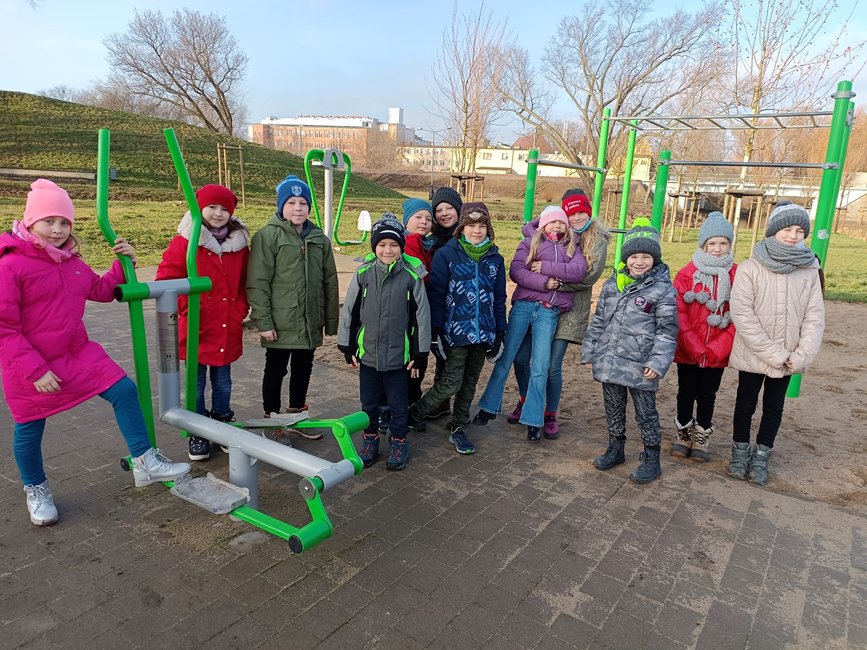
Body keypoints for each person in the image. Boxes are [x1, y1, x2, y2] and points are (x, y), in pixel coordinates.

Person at [0, 179, 191, 526]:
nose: (57, 230)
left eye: (64, 222)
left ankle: (145, 460)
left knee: (124, 390)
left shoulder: (71, 262)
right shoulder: (11, 265)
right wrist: (35, 370)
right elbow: (4, 328)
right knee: (29, 427)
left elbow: (101, 290)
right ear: (30, 221)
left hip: (75, 352)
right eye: (49, 221)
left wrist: (123, 263)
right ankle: (36, 488)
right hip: (29, 363)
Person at [727, 202, 825, 486]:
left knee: (774, 406)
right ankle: (740, 453)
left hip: (789, 357)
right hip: (756, 353)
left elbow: (814, 316)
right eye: (787, 229)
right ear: (773, 231)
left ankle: (761, 455)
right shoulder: (750, 268)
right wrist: (774, 353)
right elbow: (742, 314)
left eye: (799, 230)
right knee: (745, 403)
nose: (793, 235)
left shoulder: (810, 270)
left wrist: (801, 355)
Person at [474, 205, 588, 441]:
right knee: (507, 357)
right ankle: (488, 407)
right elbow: (517, 271)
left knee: (541, 365)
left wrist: (545, 267)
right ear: (543, 224)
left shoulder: (571, 246)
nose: (557, 225)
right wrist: (545, 283)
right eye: (552, 221)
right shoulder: (530, 242)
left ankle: (534, 419)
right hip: (524, 307)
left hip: (548, 311)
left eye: (561, 222)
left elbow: (578, 271)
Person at [581, 217, 678, 484]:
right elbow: (599, 320)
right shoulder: (613, 285)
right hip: (610, 360)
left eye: (645, 256)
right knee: (613, 407)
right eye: (634, 256)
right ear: (626, 258)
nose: (639, 262)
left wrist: (657, 362)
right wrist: (590, 349)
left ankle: (651, 458)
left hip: (641, 365)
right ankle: (616, 448)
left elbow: (667, 330)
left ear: (655, 259)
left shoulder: (663, 290)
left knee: (646, 413)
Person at [156, 184, 250, 460]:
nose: (218, 214)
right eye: (211, 207)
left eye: (224, 209)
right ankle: (197, 429)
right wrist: (188, 309)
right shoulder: (185, 242)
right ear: (199, 208)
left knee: (223, 380)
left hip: (226, 326)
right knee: (195, 383)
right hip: (196, 326)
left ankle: (221, 419)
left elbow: (244, 283)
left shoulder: (239, 246)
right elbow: (166, 281)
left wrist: (239, 310)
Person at [510, 188, 610, 438]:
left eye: (581, 212)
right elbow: (523, 267)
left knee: (552, 366)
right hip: (539, 303)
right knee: (521, 358)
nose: (576, 218)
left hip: (570, 309)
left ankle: (549, 414)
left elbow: (587, 277)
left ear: (589, 213)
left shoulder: (596, 239)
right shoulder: (551, 233)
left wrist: (551, 278)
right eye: (571, 214)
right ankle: (527, 400)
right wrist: (545, 281)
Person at [407, 202, 506, 455]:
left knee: (470, 382)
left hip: (483, 332)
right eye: (471, 226)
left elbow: (499, 297)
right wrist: (437, 331)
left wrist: (500, 332)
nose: (476, 231)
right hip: (455, 333)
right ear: (461, 228)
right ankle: (416, 412)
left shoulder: (495, 259)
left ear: (488, 228)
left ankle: (458, 425)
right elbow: (437, 295)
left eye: (481, 226)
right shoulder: (447, 255)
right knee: (451, 382)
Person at [247, 175, 339, 440]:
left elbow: (330, 281)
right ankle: (272, 418)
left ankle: (296, 414)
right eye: (291, 202)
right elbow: (258, 282)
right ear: (281, 205)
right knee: (276, 369)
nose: (298, 208)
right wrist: (263, 322)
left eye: (303, 203)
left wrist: (330, 320)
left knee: (303, 368)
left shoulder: (319, 238)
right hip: (280, 322)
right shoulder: (268, 236)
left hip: (309, 320)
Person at [337, 215, 430, 471]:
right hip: (368, 355)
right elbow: (350, 310)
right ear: (374, 246)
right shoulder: (364, 273)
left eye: (394, 245)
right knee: (369, 403)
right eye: (382, 244)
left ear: (401, 247)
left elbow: (421, 316)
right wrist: (347, 346)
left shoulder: (411, 275)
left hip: (399, 357)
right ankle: (370, 439)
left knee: (398, 404)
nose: (388, 250)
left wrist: (420, 353)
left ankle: (399, 441)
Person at [671, 211, 737, 462]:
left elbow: (740, 313)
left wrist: (718, 347)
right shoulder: (687, 274)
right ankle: (683, 434)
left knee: (708, 394)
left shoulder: (736, 274)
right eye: (712, 243)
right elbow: (679, 310)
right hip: (688, 347)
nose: (718, 249)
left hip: (717, 350)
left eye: (723, 243)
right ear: (703, 245)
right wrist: (693, 344)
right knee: (686, 391)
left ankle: (702, 437)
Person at [427, 186, 464, 419]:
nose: (444, 213)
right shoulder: (433, 240)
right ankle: (441, 400)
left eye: (449, 208)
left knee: (452, 356)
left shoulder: (465, 237)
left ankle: (444, 401)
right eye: (439, 210)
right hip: (437, 300)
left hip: (459, 304)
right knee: (440, 353)